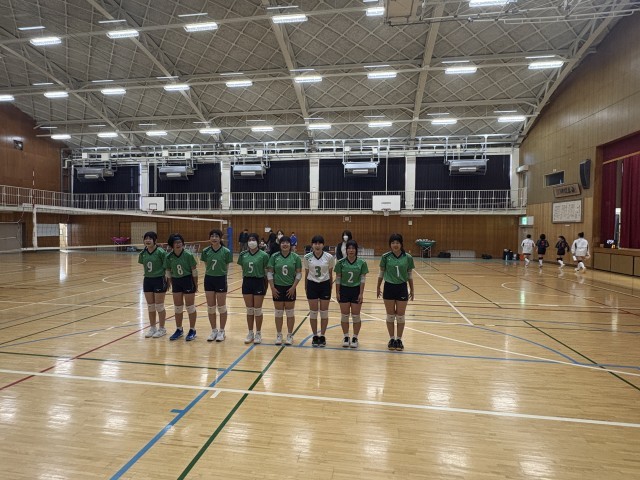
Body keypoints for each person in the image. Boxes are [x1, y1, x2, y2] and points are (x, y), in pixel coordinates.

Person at [377, 233, 414, 352]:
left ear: (401, 244)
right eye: (393, 243)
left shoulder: (408, 257)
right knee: (390, 315)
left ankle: (399, 339)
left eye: (397, 242)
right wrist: (378, 287)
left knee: (400, 316)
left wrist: (412, 289)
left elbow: (410, 274)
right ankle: (392, 339)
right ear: (390, 244)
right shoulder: (385, 257)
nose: (395, 245)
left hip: (402, 287)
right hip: (389, 287)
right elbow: (381, 273)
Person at [267, 235, 302, 346]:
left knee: (290, 313)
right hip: (277, 287)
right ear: (280, 244)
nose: (285, 244)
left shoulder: (295, 257)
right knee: (278, 313)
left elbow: (299, 274)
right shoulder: (274, 256)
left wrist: (293, 287)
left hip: (290, 288)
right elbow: (269, 273)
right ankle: (279, 335)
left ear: (290, 245)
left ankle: (290, 335)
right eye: (283, 242)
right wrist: (272, 288)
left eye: (287, 242)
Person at [335, 240, 369, 348]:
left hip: (356, 290)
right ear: (346, 250)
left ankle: (355, 337)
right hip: (344, 290)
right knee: (344, 316)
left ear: (356, 250)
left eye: (353, 248)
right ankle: (346, 336)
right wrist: (337, 292)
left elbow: (363, 279)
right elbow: (338, 278)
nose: (351, 250)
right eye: (349, 248)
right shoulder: (340, 263)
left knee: (356, 316)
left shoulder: (362, 263)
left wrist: (361, 293)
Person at [201, 229, 233, 342]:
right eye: (212, 236)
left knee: (221, 306)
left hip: (220, 279)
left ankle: (222, 331)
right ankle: (214, 330)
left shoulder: (226, 251)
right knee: (211, 307)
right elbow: (206, 265)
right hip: (209, 279)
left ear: (220, 238)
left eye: (216, 236)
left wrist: (222, 276)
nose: (214, 238)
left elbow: (227, 267)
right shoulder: (205, 251)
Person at [165, 233, 198, 341]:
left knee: (190, 307)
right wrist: (170, 283)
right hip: (176, 281)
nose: (178, 244)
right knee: (178, 307)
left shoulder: (188, 255)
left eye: (179, 242)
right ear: (172, 245)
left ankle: (192, 330)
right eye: (175, 242)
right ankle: (179, 329)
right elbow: (168, 270)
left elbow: (194, 271)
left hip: (187, 280)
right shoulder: (169, 257)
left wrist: (195, 284)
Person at [303, 235, 335, 347]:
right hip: (312, 284)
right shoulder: (307, 257)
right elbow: (306, 273)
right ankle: (315, 336)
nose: (317, 245)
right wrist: (306, 287)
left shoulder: (329, 257)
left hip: (324, 285)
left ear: (323, 245)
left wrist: (330, 287)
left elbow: (330, 273)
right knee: (313, 312)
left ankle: (322, 335)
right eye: (315, 243)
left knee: (324, 312)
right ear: (312, 245)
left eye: (319, 243)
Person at [237, 232, 270, 344]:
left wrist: (266, 286)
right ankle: (250, 332)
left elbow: (266, 272)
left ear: (258, 241)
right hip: (247, 282)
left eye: (253, 239)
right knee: (249, 309)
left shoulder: (264, 255)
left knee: (257, 309)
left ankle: (258, 333)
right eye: (249, 240)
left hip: (259, 281)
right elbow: (243, 268)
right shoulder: (243, 254)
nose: (251, 242)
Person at [138, 231, 168, 338]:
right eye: (146, 238)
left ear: (155, 240)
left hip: (159, 279)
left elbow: (167, 267)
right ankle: (152, 328)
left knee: (159, 306)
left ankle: (162, 328)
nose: (148, 240)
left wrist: (168, 280)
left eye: (150, 238)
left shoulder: (161, 252)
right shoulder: (143, 253)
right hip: (147, 280)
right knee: (150, 306)